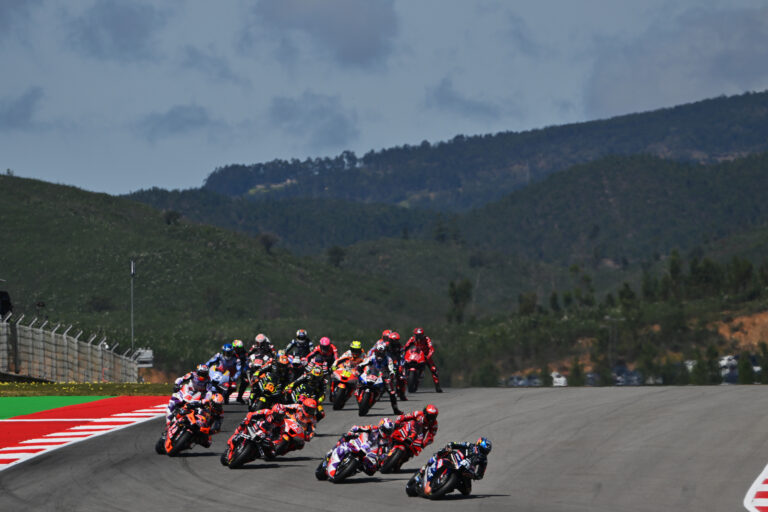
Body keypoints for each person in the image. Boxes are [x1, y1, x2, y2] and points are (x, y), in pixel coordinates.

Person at [317, 418, 395, 479]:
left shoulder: (389, 441)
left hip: (368, 455)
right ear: (381, 427)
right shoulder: (373, 428)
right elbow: (358, 427)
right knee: (345, 438)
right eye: (386, 430)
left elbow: (387, 453)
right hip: (358, 444)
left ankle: (351, 470)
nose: (387, 433)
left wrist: (381, 459)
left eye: (389, 431)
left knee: (372, 471)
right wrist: (352, 432)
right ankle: (331, 452)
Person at [359, 341, 403, 415]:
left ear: (385, 352)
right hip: (372, 374)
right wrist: (359, 367)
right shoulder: (371, 357)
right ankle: (358, 393)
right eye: (378, 352)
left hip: (383, 376)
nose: (380, 355)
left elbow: (391, 368)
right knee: (359, 380)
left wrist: (392, 373)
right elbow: (363, 363)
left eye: (382, 353)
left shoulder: (388, 359)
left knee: (392, 392)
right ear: (375, 352)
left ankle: (396, 409)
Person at [405, 327, 442, 392]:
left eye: (420, 335)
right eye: (417, 335)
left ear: (423, 335)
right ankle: (405, 379)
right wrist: (403, 352)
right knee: (404, 364)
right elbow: (406, 346)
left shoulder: (426, 339)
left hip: (425, 356)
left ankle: (437, 386)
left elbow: (431, 349)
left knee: (433, 369)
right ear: (414, 335)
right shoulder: (412, 339)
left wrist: (428, 356)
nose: (418, 337)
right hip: (415, 355)